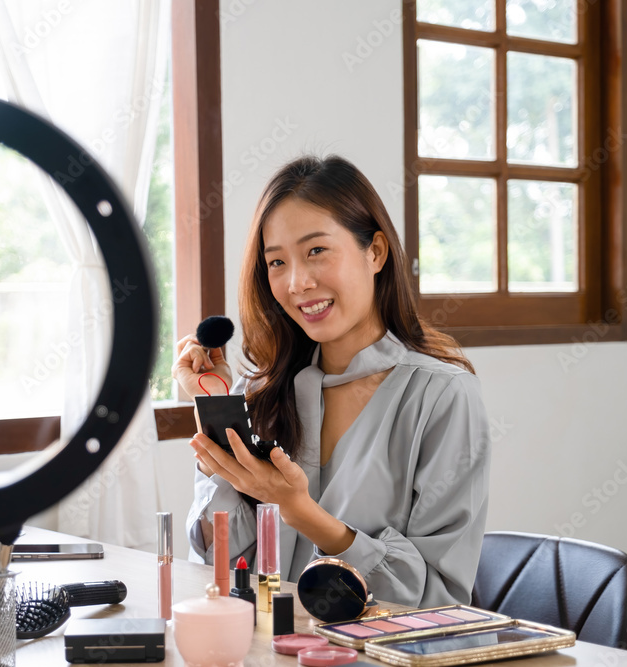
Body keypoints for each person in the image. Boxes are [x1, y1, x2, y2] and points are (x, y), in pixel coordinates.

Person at [173, 155, 491, 608]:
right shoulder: (260, 395)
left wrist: (300, 511)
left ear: (375, 252)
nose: (298, 282)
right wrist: (216, 409)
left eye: (316, 251)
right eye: (277, 262)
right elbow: (216, 566)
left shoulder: (441, 396)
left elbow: (438, 598)